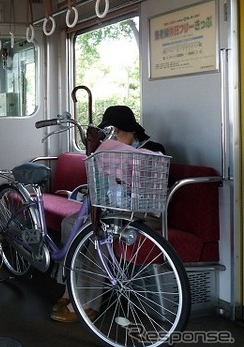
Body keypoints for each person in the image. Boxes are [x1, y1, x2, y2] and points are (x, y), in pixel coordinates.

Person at [50, 105, 165, 322]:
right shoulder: (108, 151)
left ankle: (87, 303)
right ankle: (69, 289)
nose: (114, 137)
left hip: (140, 211)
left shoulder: (154, 149)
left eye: (118, 132)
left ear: (131, 131)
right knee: (70, 223)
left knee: (94, 232)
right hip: (112, 206)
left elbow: (154, 187)